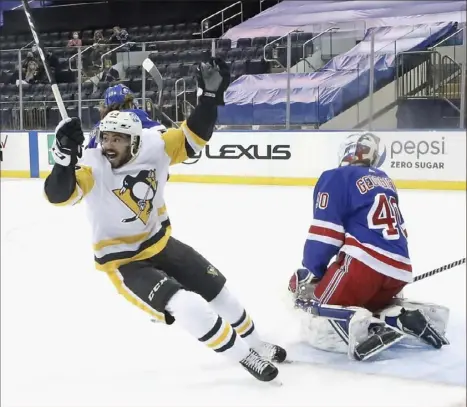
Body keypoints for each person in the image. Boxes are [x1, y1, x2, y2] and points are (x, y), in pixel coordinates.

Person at [44, 58, 286, 382]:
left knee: (218, 288)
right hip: (124, 260)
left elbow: (194, 136)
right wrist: (62, 161)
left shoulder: (156, 145)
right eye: (106, 138)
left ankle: (257, 344)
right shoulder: (92, 164)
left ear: (135, 141)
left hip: (159, 242)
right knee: (186, 304)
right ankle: (245, 357)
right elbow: (59, 195)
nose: (109, 145)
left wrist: (209, 99)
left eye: (118, 139)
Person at [288, 132, 449, 361]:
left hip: (362, 268)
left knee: (315, 307)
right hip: (398, 274)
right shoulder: (385, 180)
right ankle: (395, 315)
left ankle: (372, 328)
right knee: (365, 299)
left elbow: (325, 235)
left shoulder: (335, 177)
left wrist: (314, 270)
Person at [86, 83, 166, 149]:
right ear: (127, 103)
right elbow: (162, 133)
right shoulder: (134, 114)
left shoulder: (98, 125)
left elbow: (89, 152)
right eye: (130, 101)